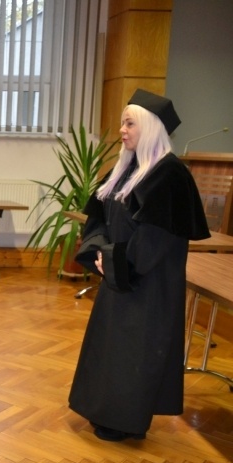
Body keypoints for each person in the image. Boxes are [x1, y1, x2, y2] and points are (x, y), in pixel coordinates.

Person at [69, 89, 210, 442]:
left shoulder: (169, 175)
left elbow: (156, 239)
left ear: (149, 127)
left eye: (129, 123)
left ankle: (125, 420)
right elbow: (98, 217)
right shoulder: (126, 169)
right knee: (110, 348)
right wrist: (100, 254)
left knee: (135, 351)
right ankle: (105, 411)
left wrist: (118, 262)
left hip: (147, 284)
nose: (122, 130)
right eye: (122, 123)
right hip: (117, 273)